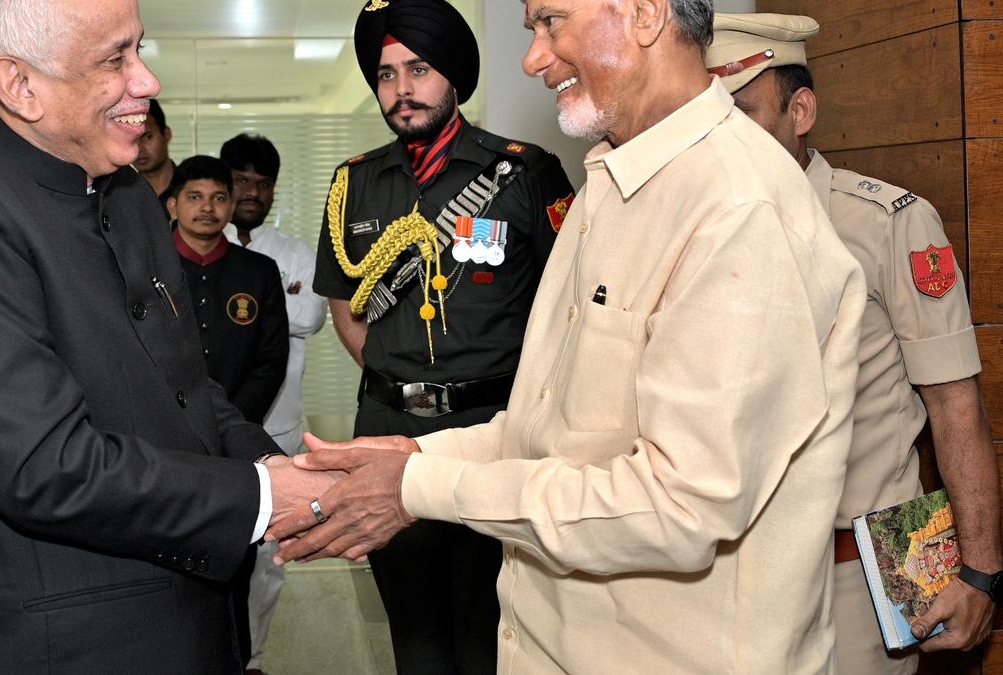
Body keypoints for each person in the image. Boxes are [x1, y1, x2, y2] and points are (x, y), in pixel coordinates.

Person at [273, 1, 868, 672]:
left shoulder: (737, 208)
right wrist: (405, 455)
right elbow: (544, 427)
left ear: (644, 15)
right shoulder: (608, 185)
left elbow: (679, 506)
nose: (533, 58)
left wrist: (417, 486)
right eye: (532, 29)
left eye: (551, 22)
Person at [0, 0, 332, 671]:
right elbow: (44, 465)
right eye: (113, 59)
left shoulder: (126, 197)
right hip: (68, 645)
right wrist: (261, 499)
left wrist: (275, 468)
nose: (146, 80)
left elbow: (187, 386)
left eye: (138, 50)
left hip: (196, 619)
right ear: (19, 85)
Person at [706, 13, 1002, 673]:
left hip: (861, 573)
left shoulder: (884, 224)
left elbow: (955, 403)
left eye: (742, 113)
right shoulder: (697, 231)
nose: (722, 141)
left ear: (800, 109)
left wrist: (981, 574)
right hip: (729, 570)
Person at [310, 1, 575, 672]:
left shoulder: (524, 172)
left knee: (498, 627)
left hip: (499, 429)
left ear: (453, 75)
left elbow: (570, 304)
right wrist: (401, 378)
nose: (402, 90)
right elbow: (346, 304)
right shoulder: (355, 184)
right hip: (388, 427)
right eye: (386, 74)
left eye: (419, 69)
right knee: (416, 633)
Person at [219, 132, 327, 675]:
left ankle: (254, 659)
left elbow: (310, 317)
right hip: (215, 429)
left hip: (278, 428)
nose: (252, 193)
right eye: (241, 182)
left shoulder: (293, 252)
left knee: (268, 558)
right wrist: (271, 300)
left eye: (263, 184)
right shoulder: (201, 244)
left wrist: (252, 310)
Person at [170, 155, 289, 426]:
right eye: (195, 197)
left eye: (219, 198)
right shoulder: (147, 266)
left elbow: (271, 361)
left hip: (239, 427)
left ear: (232, 206)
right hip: (164, 429)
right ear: (173, 206)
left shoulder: (260, 271)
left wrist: (232, 423)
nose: (208, 208)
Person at [135, 97, 176, 213]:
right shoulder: (119, 194)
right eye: (132, 140)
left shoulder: (190, 188)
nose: (139, 148)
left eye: (147, 137)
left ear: (167, 134)